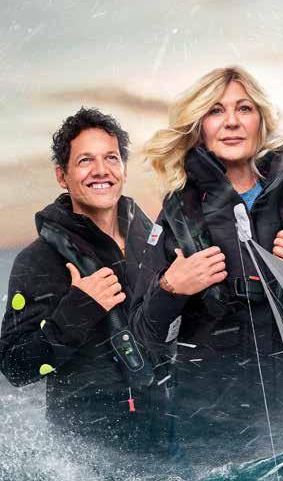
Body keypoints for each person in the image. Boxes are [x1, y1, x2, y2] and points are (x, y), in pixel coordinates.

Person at [130, 65, 283, 467]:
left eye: (244, 108)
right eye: (216, 111)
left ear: (260, 120)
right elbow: (142, 337)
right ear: (199, 127)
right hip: (212, 434)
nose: (232, 122)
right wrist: (170, 288)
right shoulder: (177, 214)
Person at [0, 108, 170, 443]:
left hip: (170, 434)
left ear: (123, 168)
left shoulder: (154, 240)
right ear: (62, 176)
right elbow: (14, 367)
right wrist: (78, 309)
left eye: (111, 158)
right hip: (90, 450)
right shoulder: (38, 260)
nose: (101, 170)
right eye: (85, 160)